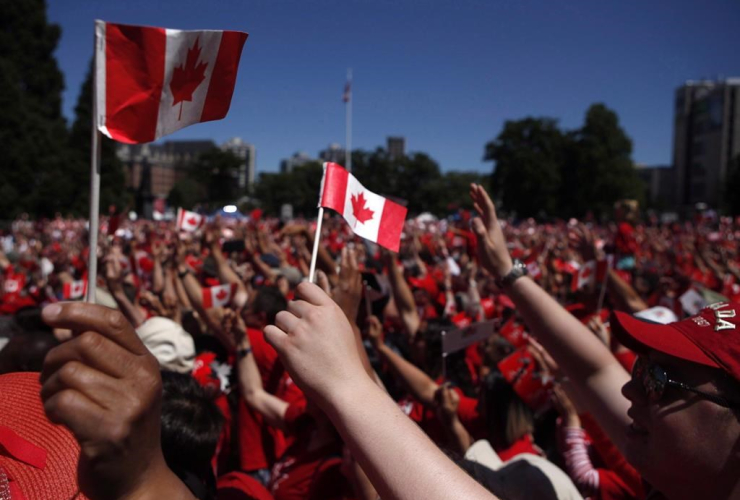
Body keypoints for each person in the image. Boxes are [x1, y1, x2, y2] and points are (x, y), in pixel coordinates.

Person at [466, 182, 740, 499]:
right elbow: (594, 371)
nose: (629, 389)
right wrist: (507, 270)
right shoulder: (686, 476)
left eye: (659, 380)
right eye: (641, 369)